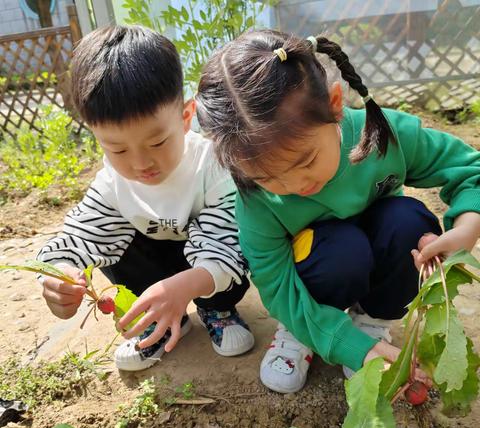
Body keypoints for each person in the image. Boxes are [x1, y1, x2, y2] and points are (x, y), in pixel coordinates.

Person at [195, 29, 480, 393]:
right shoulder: (255, 202)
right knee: (341, 251)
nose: (296, 184)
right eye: (269, 178)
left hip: (379, 249)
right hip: (321, 271)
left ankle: (371, 324)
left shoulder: (382, 135)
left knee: (407, 220)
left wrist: (469, 226)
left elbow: (470, 169)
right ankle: (304, 331)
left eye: (306, 160)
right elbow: (277, 285)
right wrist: (348, 349)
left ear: (334, 104)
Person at [37, 25, 254, 372]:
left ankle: (218, 310)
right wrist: (60, 276)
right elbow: (77, 239)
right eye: (117, 148)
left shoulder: (212, 166)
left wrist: (185, 286)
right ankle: (163, 318)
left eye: (157, 143)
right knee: (108, 237)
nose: (140, 164)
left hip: (207, 270)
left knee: (242, 237)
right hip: (156, 270)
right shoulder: (112, 183)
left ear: (185, 117)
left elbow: (229, 246)